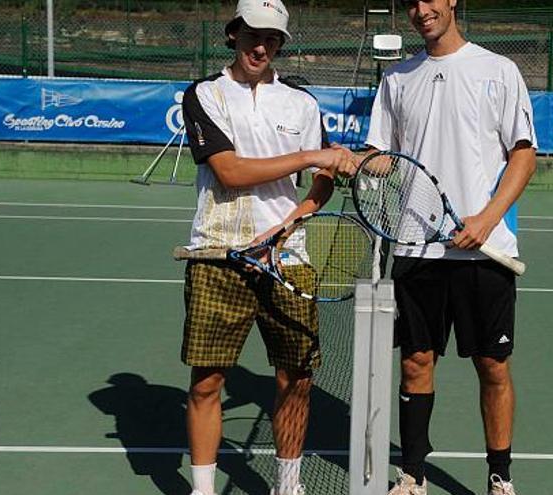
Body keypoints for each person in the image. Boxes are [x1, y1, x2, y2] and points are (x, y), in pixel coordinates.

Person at [179, 1, 356, 495]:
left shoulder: (301, 103)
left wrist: (293, 219)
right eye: (253, 36)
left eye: (272, 39)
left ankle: (289, 485)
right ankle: (203, 490)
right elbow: (230, 171)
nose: (261, 47)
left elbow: (321, 183)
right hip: (217, 255)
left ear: (280, 44)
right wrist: (311, 155)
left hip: (289, 259)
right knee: (207, 381)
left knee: (296, 379)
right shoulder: (205, 94)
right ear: (234, 34)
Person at [365, 1, 537, 494]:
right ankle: (412, 474)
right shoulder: (397, 79)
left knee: (492, 365)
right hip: (417, 250)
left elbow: (523, 156)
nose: (422, 10)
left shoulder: (498, 70)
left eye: (431, 0)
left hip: (484, 253)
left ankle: (500, 476)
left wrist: (486, 219)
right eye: (414, 3)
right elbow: (383, 156)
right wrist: (354, 162)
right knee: (416, 362)